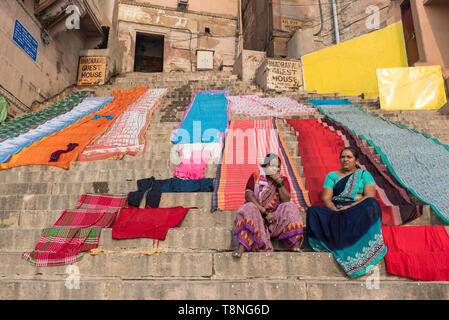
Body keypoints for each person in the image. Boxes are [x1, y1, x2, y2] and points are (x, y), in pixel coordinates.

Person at [306, 147, 387, 278]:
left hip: (356, 210)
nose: (345, 160)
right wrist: (336, 211)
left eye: (349, 157)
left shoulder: (364, 175)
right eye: (343, 157)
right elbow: (326, 198)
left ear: (356, 160)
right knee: (313, 211)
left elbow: (370, 195)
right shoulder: (332, 176)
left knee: (372, 203)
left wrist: (350, 207)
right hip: (336, 212)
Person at [232, 153, 304, 258]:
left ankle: (294, 244)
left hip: (275, 220)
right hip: (257, 216)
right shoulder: (256, 176)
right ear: (265, 166)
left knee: (291, 207)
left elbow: (286, 199)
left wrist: (279, 182)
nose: (275, 168)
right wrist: (265, 213)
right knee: (248, 207)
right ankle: (242, 246)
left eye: (278, 166)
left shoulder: (283, 180)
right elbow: (248, 195)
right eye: (272, 165)